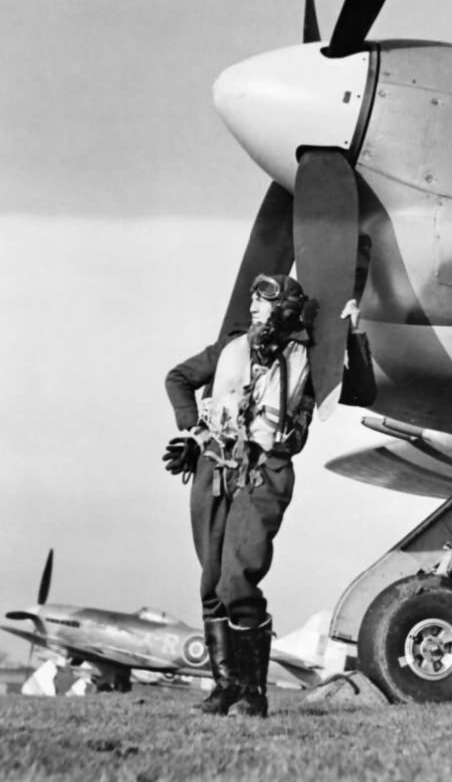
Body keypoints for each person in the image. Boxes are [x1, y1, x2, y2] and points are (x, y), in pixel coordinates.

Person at [162, 273, 321, 718]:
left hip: (265, 472)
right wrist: (192, 428)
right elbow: (177, 378)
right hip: (213, 467)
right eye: (252, 300)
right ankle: (225, 688)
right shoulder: (229, 348)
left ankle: (254, 693)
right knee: (212, 581)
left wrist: (355, 332)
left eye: (262, 302)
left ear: (284, 310)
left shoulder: (309, 357)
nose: (252, 308)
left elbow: (362, 390)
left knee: (238, 579)